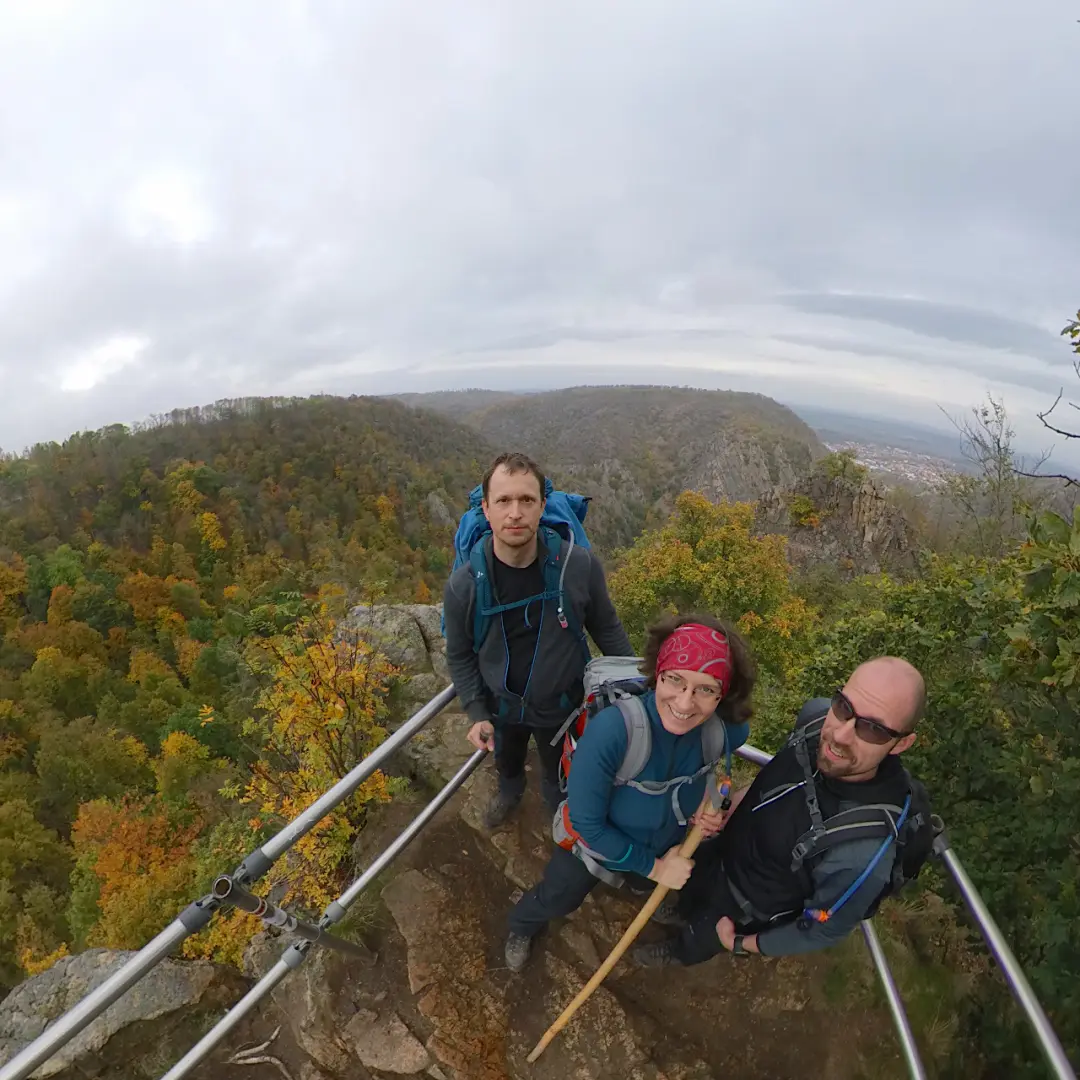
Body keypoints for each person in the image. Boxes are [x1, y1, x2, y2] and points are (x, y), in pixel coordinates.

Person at [632, 656, 933, 967]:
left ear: (900, 744)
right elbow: (781, 775)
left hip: (742, 905)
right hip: (719, 855)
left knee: (699, 937)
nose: (841, 735)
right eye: (844, 706)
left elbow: (822, 928)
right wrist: (732, 803)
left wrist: (740, 943)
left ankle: (678, 951)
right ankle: (680, 910)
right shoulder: (815, 721)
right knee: (690, 893)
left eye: (873, 729)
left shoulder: (860, 852)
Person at [502, 614, 756, 972]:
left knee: (647, 882)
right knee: (559, 896)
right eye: (675, 681)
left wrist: (711, 805)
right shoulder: (614, 731)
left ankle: (648, 887)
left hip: (668, 839)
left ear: (722, 693)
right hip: (597, 847)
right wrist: (656, 868)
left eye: (706, 689)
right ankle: (522, 926)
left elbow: (717, 775)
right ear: (658, 674)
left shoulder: (727, 731)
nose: (685, 704)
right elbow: (587, 824)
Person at [443, 451, 633, 829]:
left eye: (527, 500)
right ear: (486, 508)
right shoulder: (465, 586)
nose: (515, 512)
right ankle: (510, 793)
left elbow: (608, 630)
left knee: (556, 768)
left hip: (560, 708)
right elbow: (460, 654)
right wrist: (478, 713)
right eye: (504, 501)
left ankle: (554, 804)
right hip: (501, 708)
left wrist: (638, 692)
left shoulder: (578, 567)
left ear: (543, 505)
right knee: (507, 760)